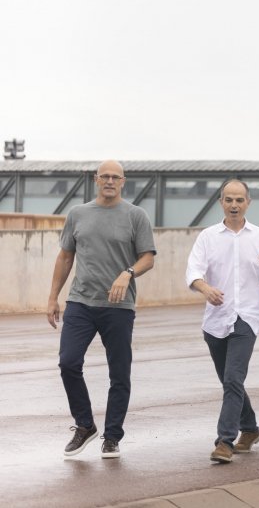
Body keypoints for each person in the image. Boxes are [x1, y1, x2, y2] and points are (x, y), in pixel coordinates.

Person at [47, 160, 156, 459]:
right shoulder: (78, 214)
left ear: (123, 181)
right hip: (80, 302)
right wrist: (53, 297)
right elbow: (65, 257)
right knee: (68, 363)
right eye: (104, 176)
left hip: (118, 307)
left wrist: (128, 273)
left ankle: (112, 437)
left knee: (119, 373)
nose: (109, 181)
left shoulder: (136, 215)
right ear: (96, 180)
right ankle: (85, 425)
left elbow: (148, 258)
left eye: (115, 177)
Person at [185, 179, 259, 464]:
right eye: (228, 200)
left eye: (239, 200)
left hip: (247, 317)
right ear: (221, 202)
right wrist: (205, 289)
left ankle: (224, 441)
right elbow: (193, 271)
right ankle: (250, 429)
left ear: (248, 202)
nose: (234, 205)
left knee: (234, 378)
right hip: (216, 319)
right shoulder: (208, 237)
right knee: (229, 380)